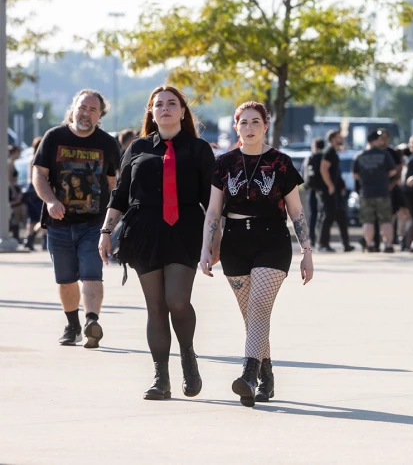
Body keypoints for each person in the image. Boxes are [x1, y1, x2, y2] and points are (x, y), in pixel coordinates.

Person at [99, 85, 215, 400]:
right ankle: (160, 377)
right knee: (155, 307)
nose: (164, 108)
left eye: (171, 103)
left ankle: (188, 357)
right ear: (151, 111)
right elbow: (120, 194)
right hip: (143, 232)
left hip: (185, 231)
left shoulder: (199, 149)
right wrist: (106, 231)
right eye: (158, 104)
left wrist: (214, 238)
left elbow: (212, 200)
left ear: (182, 110)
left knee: (177, 300)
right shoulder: (136, 148)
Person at [200, 101, 314, 407]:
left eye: (255, 122)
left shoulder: (281, 163)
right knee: (251, 318)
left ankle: (248, 376)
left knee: (260, 308)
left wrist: (307, 250)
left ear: (266, 125)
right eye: (243, 123)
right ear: (236, 127)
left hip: (272, 240)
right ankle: (267, 376)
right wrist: (206, 249)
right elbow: (213, 212)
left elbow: (296, 211)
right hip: (235, 243)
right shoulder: (223, 163)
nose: (249, 128)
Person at [32, 90, 121, 347]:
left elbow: (113, 184)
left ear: (100, 115)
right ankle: (73, 325)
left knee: (92, 274)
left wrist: (111, 223)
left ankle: (92, 321)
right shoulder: (54, 137)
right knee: (66, 278)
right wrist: (50, 201)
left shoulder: (107, 143)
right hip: (59, 224)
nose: (86, 113)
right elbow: (39, 174)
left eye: (93, 110)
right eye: (83, 107)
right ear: (74, 108)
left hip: (94, 225)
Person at [353, 130, 398, 253]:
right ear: (375, 140)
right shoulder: (384, 155)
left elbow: (355, 175)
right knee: (386, 220)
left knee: (368, 221)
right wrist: (383, 176)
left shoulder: (360, 155)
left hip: (366, 192)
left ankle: (369, 245)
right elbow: (393, 171)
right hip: (382, 191)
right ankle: (388, 245)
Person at [317, 130, 354, 253]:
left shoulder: (334, 152)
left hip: (335, 191)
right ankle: (323, 244)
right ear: (333, 139)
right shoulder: (329, 152)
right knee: (328, 217)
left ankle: (346, 244)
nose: (342, 138)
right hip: (329, 191)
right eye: (339, 137)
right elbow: (323, 169)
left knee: (341, 217)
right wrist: (330, 186)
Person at [302, 137, 326, 248]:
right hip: (322, 189)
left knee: (312, 214)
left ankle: (312, 237)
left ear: (315, 146)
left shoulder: (309, 158)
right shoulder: (323, 157)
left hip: (311, 189)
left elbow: (303, 174)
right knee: (322, 214)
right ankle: (321, 238)